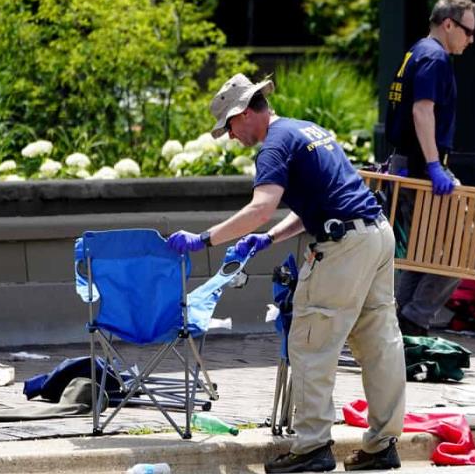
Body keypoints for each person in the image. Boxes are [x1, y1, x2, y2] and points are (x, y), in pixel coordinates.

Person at [167, 74, 406, 473]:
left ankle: (312, 448)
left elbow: (260, 207)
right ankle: (382, 446)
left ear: (244, 113)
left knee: (311, 342)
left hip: (343, 247)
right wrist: (270, 238)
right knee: (379, 343)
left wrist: (204, 239)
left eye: (228, 125)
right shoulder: (307, 130)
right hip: (376, 236)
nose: (230, 136)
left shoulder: (274, 145)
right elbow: (319, 200)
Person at [384, 0, 475, 336]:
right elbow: (422, 110)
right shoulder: (434, 58)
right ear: (449, 24)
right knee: (462, 247)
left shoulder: (416, 52)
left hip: (409, 162)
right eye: (468, 32)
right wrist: (434, 165)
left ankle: (404, 321)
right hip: (423, 165)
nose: (471, 39)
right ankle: (414, 316)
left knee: (424, 249)